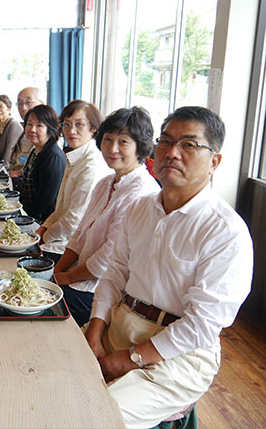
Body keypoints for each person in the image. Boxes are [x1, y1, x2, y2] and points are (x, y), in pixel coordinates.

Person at [84, 106, 253, 427]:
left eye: (189, 145)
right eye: (166, 141)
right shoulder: (140, 208)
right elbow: (114, 274)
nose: (172, 153)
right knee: (46, 371)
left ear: (214, 162)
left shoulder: (225, 230)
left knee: (92, 416)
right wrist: (95, 329)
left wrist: (132, 359)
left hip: (179, 354)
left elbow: (202, 325)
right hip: (120, 323)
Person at [53, 107, 159, 326]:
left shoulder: (141, 190)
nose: (112, 148)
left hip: (105, 291)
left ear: (140, 146)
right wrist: (57, 271)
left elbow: (109, 256)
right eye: (108, 139)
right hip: (80, 276)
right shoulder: (105, 183)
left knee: (42, 308)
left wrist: (68, 278)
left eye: (124, 142)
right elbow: (79, 235)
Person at [36, 100, 112, 260]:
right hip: (57, 240)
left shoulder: (91, 164)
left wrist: (43, 238)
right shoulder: (75, 155)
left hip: (68, 248)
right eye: (67, 124)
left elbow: (73, 221)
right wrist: (40, 231)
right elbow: (60, 211)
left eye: (79, 124)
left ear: (93, 128)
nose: (71, 130)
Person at [19, 104, 66, 222]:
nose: (32, 129)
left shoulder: (53, 156)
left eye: (39, 125)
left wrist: (23, 218)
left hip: (42, 221)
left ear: (50, 129)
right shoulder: (36, 149)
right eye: (29, 124)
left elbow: (46, 200)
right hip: (29, 213)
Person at [8, 87, 45, 190]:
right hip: (15, 184)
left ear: (41, 105)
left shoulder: (48, 134)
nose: (23, 108)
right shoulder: (24, 130)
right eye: (20, 104)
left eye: (28, 102)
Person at [0, 94, 22, 166]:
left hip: (13, 168)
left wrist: (1, 171)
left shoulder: (13, 125)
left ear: (9, 109)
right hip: (1, 165)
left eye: (0, 106)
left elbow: (9, 154)